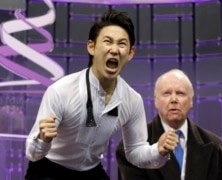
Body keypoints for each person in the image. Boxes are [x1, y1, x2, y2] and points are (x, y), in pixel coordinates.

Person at [24, 9, 179, 180]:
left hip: (90, 170)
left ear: (130, 53)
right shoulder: (61, 91)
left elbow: (135, 152)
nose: (114, 50)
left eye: (121, 44)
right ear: (91, 46)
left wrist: (159, 150)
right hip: (48, 168)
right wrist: (43, 139)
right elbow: (32, 153)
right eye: (108, 42)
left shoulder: (132, 100)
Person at [116, 69, 222, 180]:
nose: (174, 99)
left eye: (180, 93)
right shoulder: (132, 146)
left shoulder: (215, 147)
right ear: (156, 101)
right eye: (167, 93)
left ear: (191, 101)